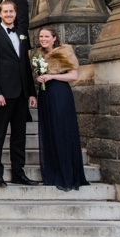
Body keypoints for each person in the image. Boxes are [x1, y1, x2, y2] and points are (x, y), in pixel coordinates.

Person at [0, 0, 38, 187]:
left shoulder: (22, 34)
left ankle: (18, 172)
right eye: (5, 11)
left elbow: (25, 65)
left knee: (19, 135)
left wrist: (31, 92)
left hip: (21, 92)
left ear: (15, 13)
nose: (8, 14)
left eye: (11, 11)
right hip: (4, 94)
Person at [33, 28, 88, 191]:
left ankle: (67, 174)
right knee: (50, 131)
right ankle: (53, 171)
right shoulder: (39, 54)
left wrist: (52, 76)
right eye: (41, 36)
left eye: (46, 36)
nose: (43, 39)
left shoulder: (65, 52)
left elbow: (73, 76)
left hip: (60, 92)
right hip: (45, 94)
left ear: (54, 38)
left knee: (62, 130)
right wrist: (40, 78)